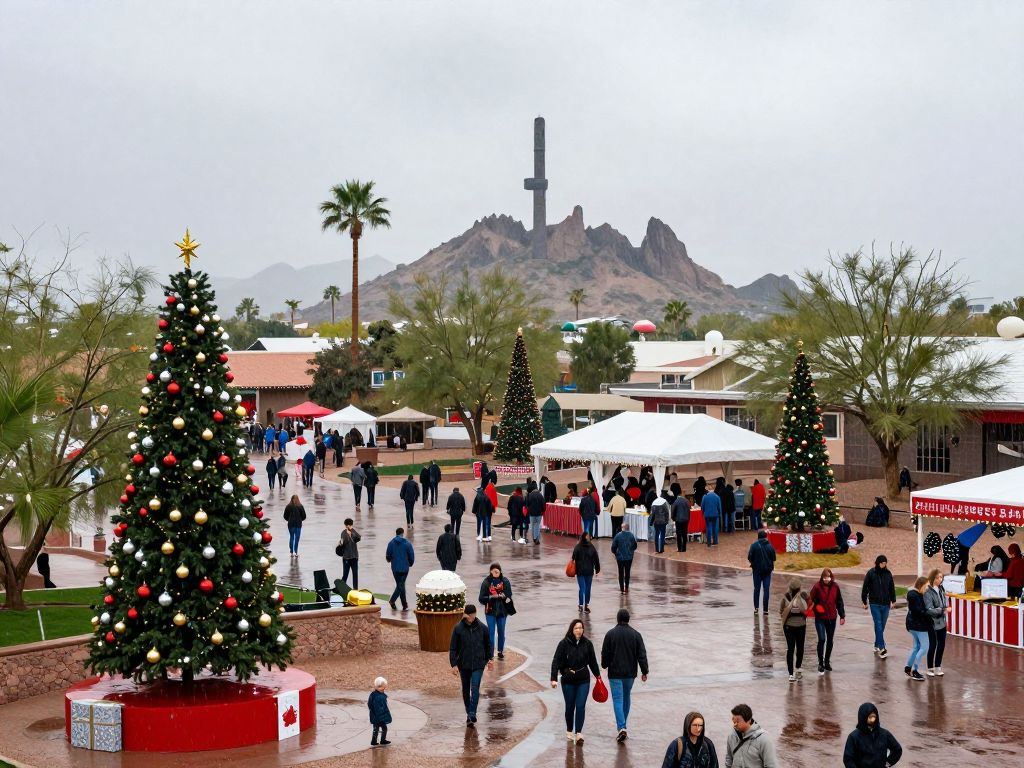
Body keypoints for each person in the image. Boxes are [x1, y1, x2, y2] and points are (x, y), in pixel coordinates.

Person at [550, 618, 601, 745]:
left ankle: (578, 733)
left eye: (580, 628)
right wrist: (554, 678)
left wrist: (598, 677)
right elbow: (556, 661)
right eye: (576, 628)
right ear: (572, 630)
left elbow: (593, 662)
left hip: (583, 680)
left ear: (583, 629)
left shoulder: (587, 644)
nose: (579, 630)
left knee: (580, 706)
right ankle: (569, 729)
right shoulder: (564, 644)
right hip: (568, 680)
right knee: (570, 706)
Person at [600, 608, 648, 742]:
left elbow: (605, 653)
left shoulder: (610, 634)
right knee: (626, 697)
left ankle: (621, 727)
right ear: (628, 619)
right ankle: (623, 726)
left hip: (615, 673)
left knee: (617, 699)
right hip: (630, 674)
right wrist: (644, 671)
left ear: (617, 619)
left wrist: (604, 664)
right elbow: (642, 655)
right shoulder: (636, 635)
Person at [449, 604, 493, 726]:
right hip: (464, 664)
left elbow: (488, 645)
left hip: (479, 664)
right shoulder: (458, 628)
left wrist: (490, 659)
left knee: (475, 688)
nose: (471, 617)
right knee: (465, 690)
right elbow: (453, 648)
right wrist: (454, 664)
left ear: (475, 614)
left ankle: (472, 713)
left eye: (472, 614)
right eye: (468, 615)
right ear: (465, 615)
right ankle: (469, 713)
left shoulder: (483, 628)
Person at [842, 702, 903, 768]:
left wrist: (888, 763)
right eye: (870, 717)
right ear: (863, 717)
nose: (872, 719)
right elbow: (848, 759)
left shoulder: (884, 734)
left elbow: (897, 749)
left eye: (874, 716)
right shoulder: (854, 737)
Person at [809, 568, 846, 674]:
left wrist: (842, 616)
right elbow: (810, 599)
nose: (826, 579)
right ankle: (820, 663)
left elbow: (839, 601)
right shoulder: (817, 587)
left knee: (830, 640)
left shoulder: (835, 587)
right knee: (822, 639)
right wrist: (816, 607)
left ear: (831, 577)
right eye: (825, 577)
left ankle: (827, 662)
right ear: (822, 577)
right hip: (820, 618)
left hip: (832, 618)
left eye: (828, 577)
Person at [861, 555, 896, 658]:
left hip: (886, 604)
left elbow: (891, 587)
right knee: (878, 624)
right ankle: (882, 648)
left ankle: (876, 644)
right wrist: (864, 601)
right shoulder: (871, 573)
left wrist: (893, 600)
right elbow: (865, 587)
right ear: (877, 563)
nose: (883, 565)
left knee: (882, 625)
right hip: (874, 603)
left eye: (885, 563)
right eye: (882, 563)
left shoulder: (888, 573)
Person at [479, 562, 513, 660]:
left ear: (500, 571)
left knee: (501, 631)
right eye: (493, 571)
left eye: (497, 571)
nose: (496, 573)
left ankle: (500, 651)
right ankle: (490, 653)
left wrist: (503, 596)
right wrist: (491, 597)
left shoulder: (505, 581)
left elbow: (509, 594)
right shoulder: (486, 582)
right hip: (490, 611)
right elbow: (481, 598)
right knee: (491, 632)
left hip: (502, 612)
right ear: (490, 571)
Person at [780, 580, 808, 682]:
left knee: (800, 648)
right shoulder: (786, 597)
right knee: (791, 648)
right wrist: (789, 613)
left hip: (801, 626)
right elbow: (781, 611)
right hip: (789, 627)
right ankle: (791, 673)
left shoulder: (803, 596)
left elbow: (808, 609)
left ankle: (798, 668)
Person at [924, 568, 950, 676]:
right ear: (933, 578)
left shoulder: (941, 589)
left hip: (942, 621)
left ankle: (938, 667)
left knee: (941, 645)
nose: (940, 579)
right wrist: (942, 610)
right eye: (938, 577)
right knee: (933, 645)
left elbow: (944, 603)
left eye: (941, 577)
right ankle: (930, 668)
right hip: (932, 622)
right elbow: (929, 609)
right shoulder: (928, 591)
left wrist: (945, 608)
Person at [904, 576, 931, 681]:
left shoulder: (914, 595)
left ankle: (908, 667)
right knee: (924, 647)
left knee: (916, 647)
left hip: (912, 625)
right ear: (922, 585)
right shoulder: (916, 596)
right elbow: (919, 611)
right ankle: (915, 670)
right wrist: (931, 613)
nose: (927, 588)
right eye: (927, 586)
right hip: (919, 626)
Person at [385, 527, 415, 611]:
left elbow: (388, 555)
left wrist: (389, 560)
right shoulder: (407, 543)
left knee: (400, 584)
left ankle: (404, 604)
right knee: (401, 585)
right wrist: (410, 563)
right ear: (402, 533)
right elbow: (411, 554)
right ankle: (392, 600)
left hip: (395, 568)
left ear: (396, 533)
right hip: (404, 568)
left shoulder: (391, 543)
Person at [747, 530, 776, 615]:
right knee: (766, 590)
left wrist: (754, 563)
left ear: (758, 537)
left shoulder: (754, 546)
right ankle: (765, 609)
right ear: (766, 537)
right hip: (767, 571)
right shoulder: (770, 546)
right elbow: (774, 558)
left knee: (757, 589)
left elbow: (749, 557)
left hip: (757, 571)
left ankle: (756, 608)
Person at [571, 531, 601, 612]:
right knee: (588, 588)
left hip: (580, 571)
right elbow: (596, 558)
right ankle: (586, 605)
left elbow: (573, 557)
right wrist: (597, 569)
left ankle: (581, 605)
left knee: (582, 588)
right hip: (589, 571)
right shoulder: (591, 546)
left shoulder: (578, 547)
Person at [611, 522, 638, 594]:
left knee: (621, 572)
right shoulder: (631, 535)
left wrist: (615, 553)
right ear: (628, 528)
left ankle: (621, 588)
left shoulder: (618, 536)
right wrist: (631, 551)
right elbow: (635, 546)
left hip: (620, 557)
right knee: (627, 572)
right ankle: (626, 587)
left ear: (622, 528)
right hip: (629, 557)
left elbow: (613, 547)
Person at [368, 676, 392, 747]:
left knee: (377, 729)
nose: (383, 688)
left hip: (376, 716)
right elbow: (379, 708)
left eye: (384, 687)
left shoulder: (374, 694)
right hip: (379, 716)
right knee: (383, 728)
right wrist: (381, 715)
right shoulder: (378, 697)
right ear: (376, 687)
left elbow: (370, 704)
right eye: (381, 687)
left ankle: (375, 741)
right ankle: (381, 740)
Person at [339, 518, 361, 589]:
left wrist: (351, 533)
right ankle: (341, 588)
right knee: (345, 574)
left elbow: (359, 538)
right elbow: (343, 543)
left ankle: (355, 589)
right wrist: (340, 543)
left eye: (350, 525)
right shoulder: (343, 533)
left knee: (355, 574)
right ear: (346, 525)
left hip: (354, 557)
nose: (349, 526)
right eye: (348, 525)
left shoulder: (353, 531)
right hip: (346, 557)